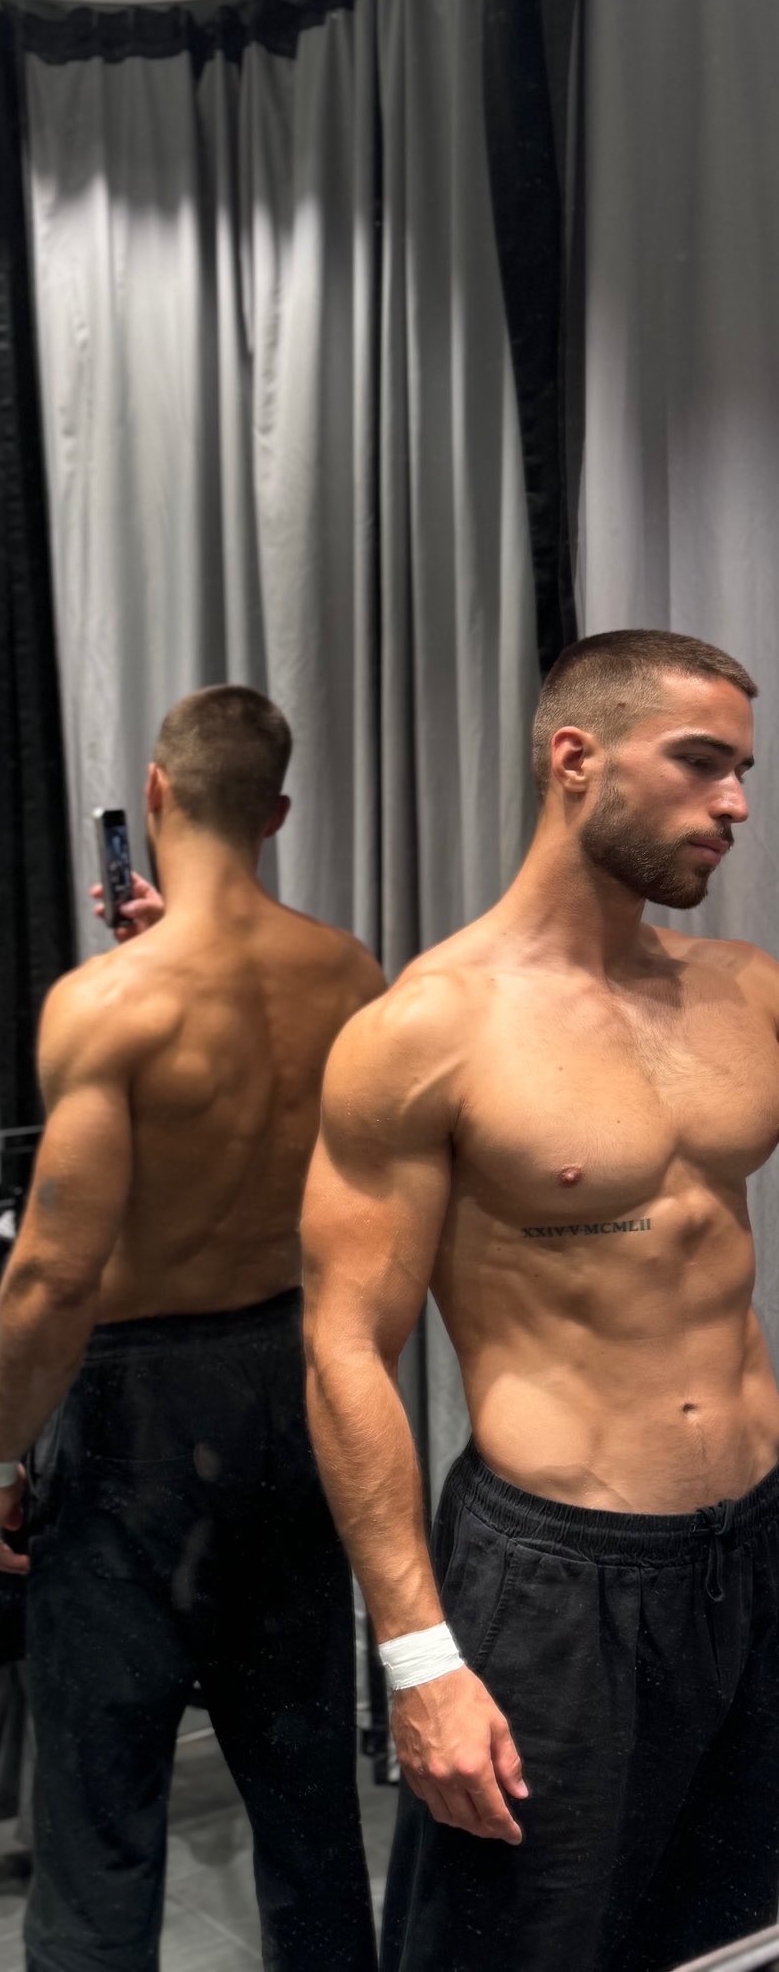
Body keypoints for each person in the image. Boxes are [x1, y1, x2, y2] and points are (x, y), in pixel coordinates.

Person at [303, 628, 779, 1972]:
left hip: (756, 1547)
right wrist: (417, 1660)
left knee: (736, 1942)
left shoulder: (746, 990)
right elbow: (345, 1345)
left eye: (743, 772)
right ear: (577, 758)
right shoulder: (428, 1028)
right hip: (562, 1579)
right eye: (701, 763)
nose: (734, 804)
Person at [0, 685, 385, 1972]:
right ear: (278, 813)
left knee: (102, 1803)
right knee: (306, 1785)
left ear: (153, 794)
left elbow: (51, 1275)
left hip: (134, 1412)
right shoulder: (349, 973)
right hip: (290, 1375)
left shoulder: (111, 1002)